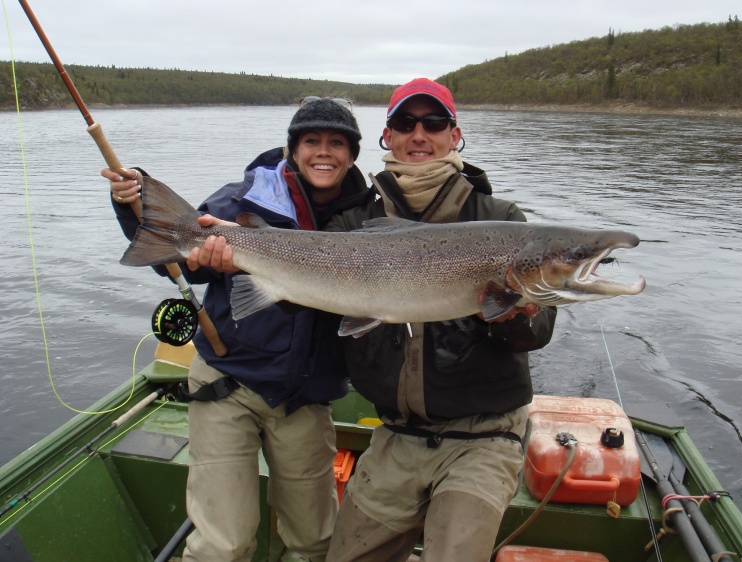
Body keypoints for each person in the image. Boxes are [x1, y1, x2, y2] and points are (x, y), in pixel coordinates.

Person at [103, 97, 369, 562]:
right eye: (311, 141)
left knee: (317, 538)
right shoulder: (241, 201)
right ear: (292, 149)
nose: (323, 152)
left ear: (352, 155)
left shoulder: (366, 216)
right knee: (222, 545)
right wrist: (134, 209)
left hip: (305, 398)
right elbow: (173, 254)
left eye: (337, 143)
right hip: (228, 384)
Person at [322, 78, 558, 562]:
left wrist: (513, 315)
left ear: (455, 134)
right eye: (406, 123)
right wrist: (234, 245)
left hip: (484, 436)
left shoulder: (500, 218)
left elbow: (539, 331)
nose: (419, 135)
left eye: (434, 123)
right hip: (396, 433)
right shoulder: (353, 220)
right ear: (387, 135)